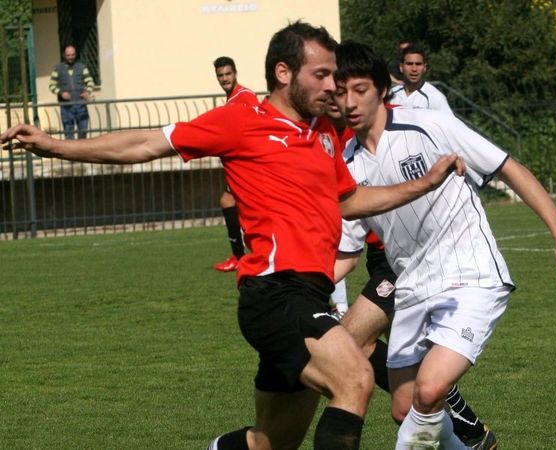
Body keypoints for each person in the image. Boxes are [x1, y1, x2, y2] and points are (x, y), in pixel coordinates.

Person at [1, 22, 466, 450]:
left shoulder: (322, 133)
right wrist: (53, 144)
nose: (333, 86)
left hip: (308, 294)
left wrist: (423, 184)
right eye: (322, 74)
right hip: (275, 293)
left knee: (270, 443)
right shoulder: (240, 120)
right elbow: (145, 144)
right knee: (356, 380)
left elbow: (348, 200)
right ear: (284, 72)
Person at [332, 41, 556, 449]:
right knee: (405, 408)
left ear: (382, 89)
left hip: (470, 276)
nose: (349, 102)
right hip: (412, 288)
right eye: (340, 92)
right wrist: (291, 289)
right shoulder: (346, 164)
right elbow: (346, 253)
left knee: (430, 390)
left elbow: (508, 167)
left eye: (360, 89)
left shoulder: (429, 124)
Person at [326, 97, 498, 449]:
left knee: (353, 340)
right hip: (384, 259)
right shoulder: (336, 141)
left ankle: (456, 412)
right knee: (400, 398)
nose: (339, 99)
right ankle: (460, 423)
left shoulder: (397, 119)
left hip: (404, 265)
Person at [212, 56, 259, 272]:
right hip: (240, 164)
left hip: (249, 165)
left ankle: (243, 256)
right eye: (221, 75)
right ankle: (240, 256)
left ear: (235, 73)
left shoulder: (245, 96)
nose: (224, 79)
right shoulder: (233, 99)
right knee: (228, 201)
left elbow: (257, 124)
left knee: (233, 203)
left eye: (227, 74)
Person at [389, 44, 453, 114]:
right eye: (409, 64)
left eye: (418, 64)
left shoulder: (435, 97)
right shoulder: (392, 94)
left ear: (424, 67)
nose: (414, 69)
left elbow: (449, 123)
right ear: (401, 67)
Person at [49, 44, 95, 140]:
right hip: (66, 107)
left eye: (73, 55)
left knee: (83, 134)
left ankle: (82, 154)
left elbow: (90, 81)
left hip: (81, 105)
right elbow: (52, 86)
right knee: (69, 135)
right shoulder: (57, 69)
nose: (71, 57)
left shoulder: (82, 67)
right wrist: (61, 93)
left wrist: (88, 91)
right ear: (64, 55)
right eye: (68, 55)